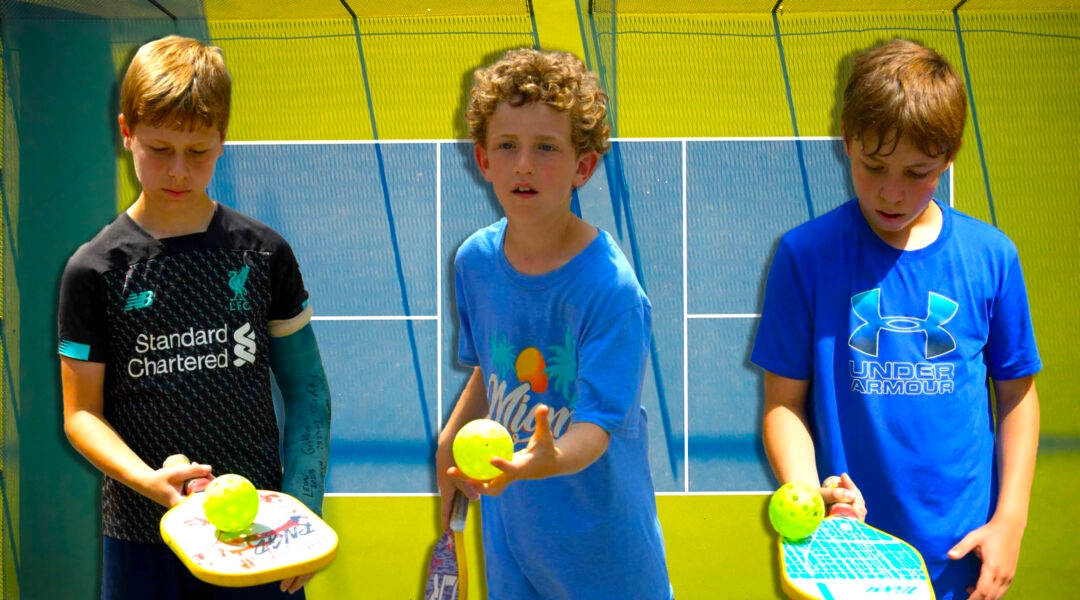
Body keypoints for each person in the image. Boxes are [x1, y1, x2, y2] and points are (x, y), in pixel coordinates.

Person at [752, 38, 1040, 600]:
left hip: (965, 556)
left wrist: (1011, 521)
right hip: (848, 561)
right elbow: (783, 403)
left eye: (917, 172)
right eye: (873, 166)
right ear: (847, 141)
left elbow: (1017, 397)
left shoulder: (991, 257)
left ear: (950, 154)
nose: (891, 192)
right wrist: (812, 497)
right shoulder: (805, 256)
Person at [57, 35, 332, 599]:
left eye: (198, 151)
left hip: (262, 540)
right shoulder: (94, 271)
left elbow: (309, 396)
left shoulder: (264, 254)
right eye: (159, 148)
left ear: (223, 139)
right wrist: (148, 482)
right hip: (141, 539)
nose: (178, 170)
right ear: (125, 130)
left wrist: (302, 516)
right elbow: (81, 414)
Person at [435, 48, 673, 599]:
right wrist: (452, 435)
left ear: (582, 167)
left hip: (606, 555)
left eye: (545, 148)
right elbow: (490, 370)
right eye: (507, 146)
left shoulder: (610, 291)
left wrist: (549, 457)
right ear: (483, 160)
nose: (523, 164)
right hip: (514, 542)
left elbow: (594, 428)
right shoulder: (474, 261)